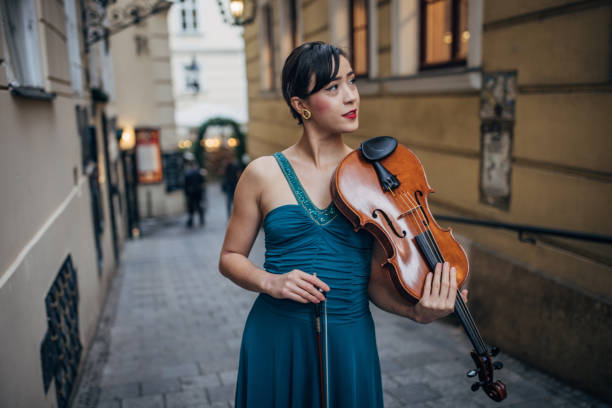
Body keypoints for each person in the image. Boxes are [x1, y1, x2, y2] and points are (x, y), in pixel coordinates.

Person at [218, 42, 468, 408]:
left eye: (352, 82)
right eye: (332, 88)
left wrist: (417, 312)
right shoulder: (262, 173)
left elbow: (374, 283)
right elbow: (230, 256)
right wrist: (270, 281)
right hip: (275, 337)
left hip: (348, 341)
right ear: (300, 105)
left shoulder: (376, 177)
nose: (351, 97)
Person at [183, 152, 206, 227]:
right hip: (197, 191)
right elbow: (202, 181)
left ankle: (191, 221)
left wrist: (186, 192)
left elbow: (186, 183)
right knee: (198, 205)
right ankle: (200, 220)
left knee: (192, 206)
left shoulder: (188, 172)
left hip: (192, 191)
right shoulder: (198, 171)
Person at [221, 154, 242, 219]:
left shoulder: (236, 165)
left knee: (235, 201)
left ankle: (236, 215)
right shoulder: (227, 166)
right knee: (229, 201)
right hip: (229, 185)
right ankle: (230, 216)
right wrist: (224, 166)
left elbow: (239, 174)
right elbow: (222, 173)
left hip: (235, 185)